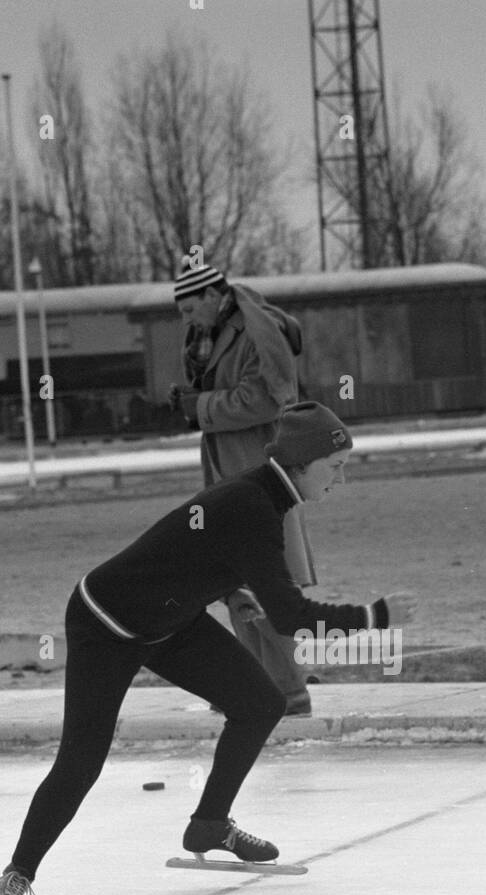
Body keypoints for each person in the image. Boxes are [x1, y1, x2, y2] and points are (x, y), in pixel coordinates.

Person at [0, 402, 416, 895]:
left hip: (171, 621)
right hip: (105, 622)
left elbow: (204, 553)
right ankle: (17, 873)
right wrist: (375, 614)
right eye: (336, 466)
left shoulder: (263, 498)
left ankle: (210, 824)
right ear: (303, 461)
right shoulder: (252, 504)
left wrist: (235, 589)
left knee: (259, 703)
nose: (341, 480)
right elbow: (291, 615)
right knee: (82, 760)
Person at [168, 258, 315, 715]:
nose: (187, 320)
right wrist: (195, 402)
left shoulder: (256, 332)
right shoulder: (210, 337)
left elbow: (268, 399)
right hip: (229, 471)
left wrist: (202, 406)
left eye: (191, 309)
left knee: (262, 583)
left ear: (213, 296)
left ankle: (286, 692)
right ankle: (255, 688)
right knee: (235, 581)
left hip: (257, 472)